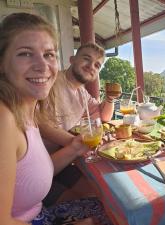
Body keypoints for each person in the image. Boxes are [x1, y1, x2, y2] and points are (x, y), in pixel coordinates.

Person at [0, 12, 111, 225]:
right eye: (25, 54)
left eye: (49, 54)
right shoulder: (4, 118)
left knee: (115, 209)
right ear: (2, 64)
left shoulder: (28, 110)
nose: (42, 66)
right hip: (34, 218)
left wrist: (76, 147)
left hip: (37, 209)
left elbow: (30, 170)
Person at [38, 42, 121, 206]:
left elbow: (103, 117)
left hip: (62, 162)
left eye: (97, 65)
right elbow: (41, 123)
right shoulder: (51, 83)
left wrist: (110, 98)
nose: (91, 66)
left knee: (104, 194)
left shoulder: (82, 93)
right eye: (86, 59)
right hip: (38, 168)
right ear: (72, 59)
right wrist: (75, 143)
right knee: (93, 205)